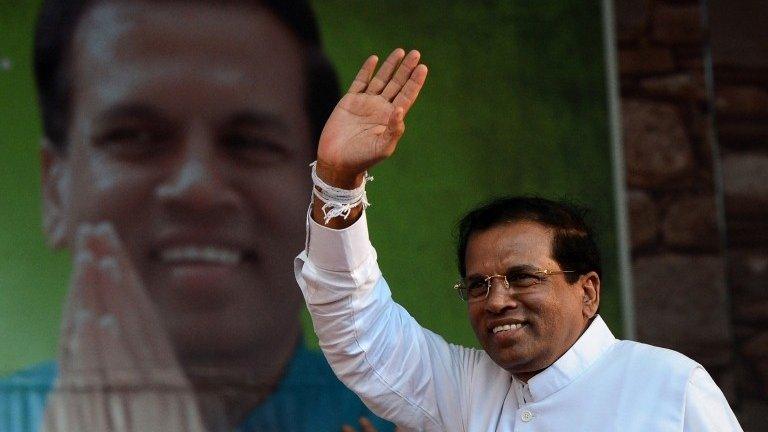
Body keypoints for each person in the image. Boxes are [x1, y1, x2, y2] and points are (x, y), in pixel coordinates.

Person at [294, 50, 744, 431]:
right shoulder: (468, 389)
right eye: (478, 285)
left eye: (523, 277)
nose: (496, 301)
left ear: (587, 292)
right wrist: (337, 181)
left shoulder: (670, 387)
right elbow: (358, 330)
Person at [0, 1, 392, 431]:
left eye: (251, 143)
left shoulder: (420, 417)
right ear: (55, 187)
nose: (198, 188)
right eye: (134, 137)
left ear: (316, 191)